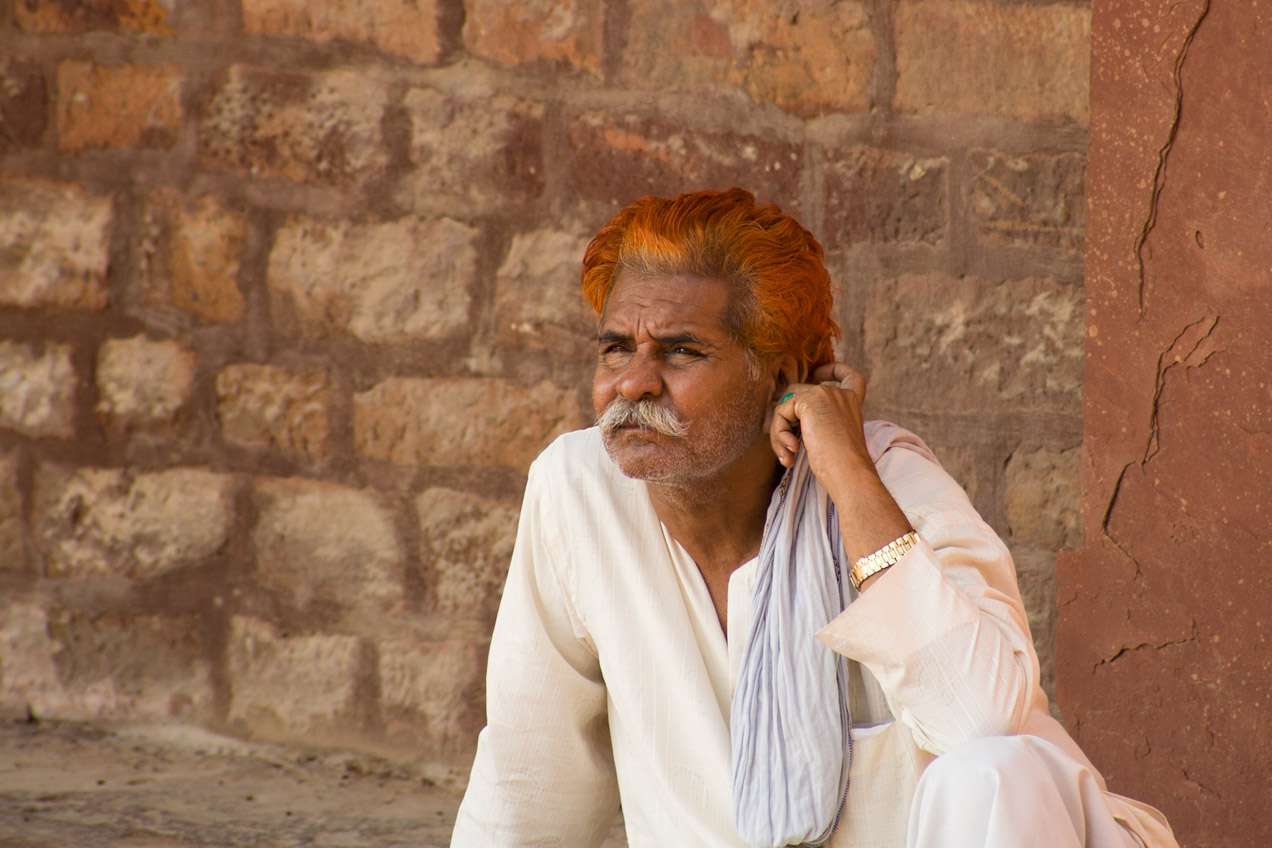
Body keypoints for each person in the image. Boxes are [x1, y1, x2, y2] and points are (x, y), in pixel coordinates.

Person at [451, 188, 1178, 848]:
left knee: (992, 771)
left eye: (682, 352)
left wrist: (846, 469)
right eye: (617, 348)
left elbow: (979, 718)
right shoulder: (576, 488)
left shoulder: (889, 484)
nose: (634, 382)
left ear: (786, 372)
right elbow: (528, 771)